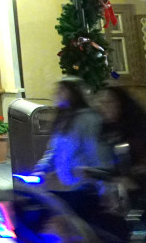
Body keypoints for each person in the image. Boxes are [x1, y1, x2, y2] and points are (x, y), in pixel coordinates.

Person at [33, 78, 117, 236]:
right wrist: (41, 169)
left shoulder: (88, 119)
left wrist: (103, 185)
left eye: (62, 90)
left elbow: (96, 152)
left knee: (77, 232)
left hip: (83, 190)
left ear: (73, 93)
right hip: (64, 188)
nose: (57, 94)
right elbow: (53, 150)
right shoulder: (63, 119)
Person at [99, 84, 146, 227]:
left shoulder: (138, 127)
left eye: (109, 102)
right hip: (127, 195)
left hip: (142, 192)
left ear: (121, 103)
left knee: (140, 230)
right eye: (102, 103)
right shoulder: (108, 131)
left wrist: (137, 174)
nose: (104, 107)